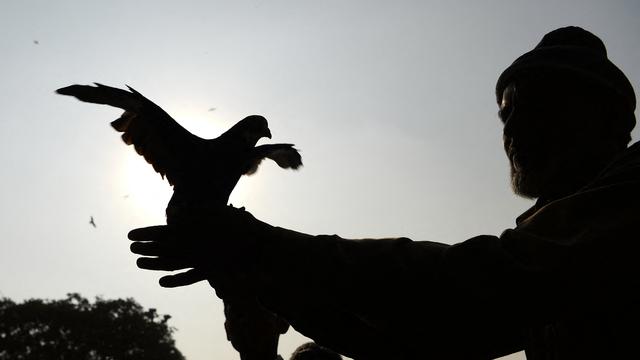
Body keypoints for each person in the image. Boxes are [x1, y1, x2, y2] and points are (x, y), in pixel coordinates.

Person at [128, 26, 640, 359]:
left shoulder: (628, 197)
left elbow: (486, 284)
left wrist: (259, 246)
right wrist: (258, 278)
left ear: (614, 121)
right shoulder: (550, 235)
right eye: (509, 111)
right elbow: (419, 343)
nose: (517, 126)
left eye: (546, 105)